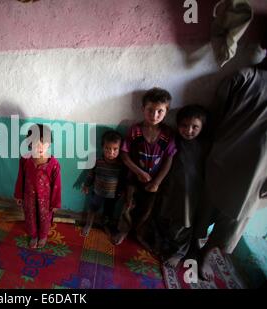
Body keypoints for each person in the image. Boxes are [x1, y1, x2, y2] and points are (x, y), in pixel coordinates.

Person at [194, 48, 267, 281]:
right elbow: (215, 117)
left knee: (236, 219)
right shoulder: (243, 78)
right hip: (224, 158)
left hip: (259, 171)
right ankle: (193, 247)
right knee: (205, 207)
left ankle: (207, 253)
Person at [138, 104, 208, 267]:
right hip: (168, 189)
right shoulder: (171, 140)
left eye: (194, 127)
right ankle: (162, 245)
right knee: (162, 217)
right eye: (184, 125)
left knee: (183, 224)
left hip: (188, 196)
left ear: (202, 127)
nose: (188, 130)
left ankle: (179, 253)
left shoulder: (204, 146)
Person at [113, 87, 177, 245]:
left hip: (154, 183)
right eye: (150, 110)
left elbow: (169, 159)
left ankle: (140, 233)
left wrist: (157, 182)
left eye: (160, 111)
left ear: (166, 111)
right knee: (128, 205)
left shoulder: (168, 134)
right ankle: (124, 230)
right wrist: (138, 171)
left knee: (148, 210)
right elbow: (124, 154)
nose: (154, 115)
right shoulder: (134, 131)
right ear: (143, 109)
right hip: (133, 179)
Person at [14, 124, 62, 249]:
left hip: (45, 201)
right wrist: (19, 195)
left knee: (44, 218)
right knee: (30, 216)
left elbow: (57, 185)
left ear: (49, 143)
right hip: (28, 197)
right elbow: (20, 177)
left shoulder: (54, 164)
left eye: (43, 142)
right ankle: (34, 235)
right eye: (35, 142)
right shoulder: (25, 159)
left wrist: (55, 203)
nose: (40, 146)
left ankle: (43, 236)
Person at [81, 130, 126, 238]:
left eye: (115, 149)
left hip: (113, 195)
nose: (111, 153)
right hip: (98, 192)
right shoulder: (98, 161)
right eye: (107, 148)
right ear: (102, 147)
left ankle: (105, 225)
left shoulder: (121, 164)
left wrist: (123, 191)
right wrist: (86, 185)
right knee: (92, 208)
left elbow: (123, 179)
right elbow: (91, 174)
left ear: (120, 149)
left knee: (108, 212)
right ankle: (88, 224)